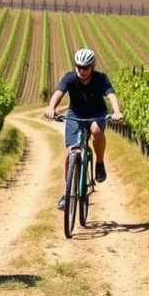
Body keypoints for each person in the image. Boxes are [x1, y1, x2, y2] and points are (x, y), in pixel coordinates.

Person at [44, 48, 123, 210]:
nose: (81, 70)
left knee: (96, 131)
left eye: (85, 67)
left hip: (97, 113)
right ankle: (66, 194)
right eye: (78, 66)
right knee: (70, 152)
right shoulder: (70, 78)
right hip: (75, 114)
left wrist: (116, 111)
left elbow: (111, 95)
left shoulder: (101, 79)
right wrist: (52, 107)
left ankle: (99, 163)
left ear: (92, 67)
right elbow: (59, 92)